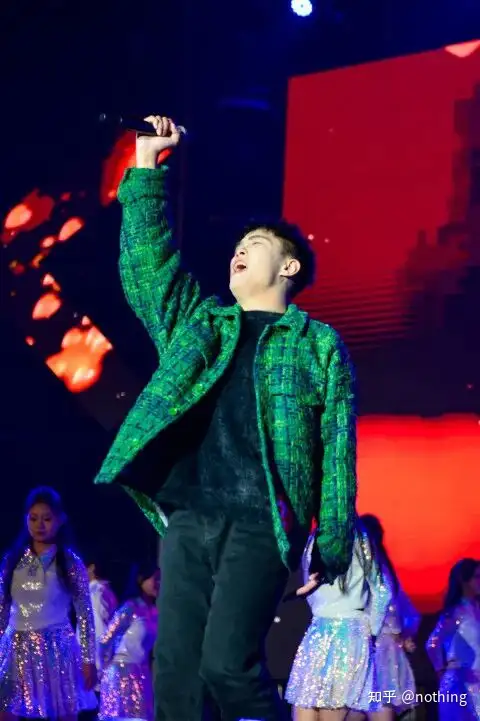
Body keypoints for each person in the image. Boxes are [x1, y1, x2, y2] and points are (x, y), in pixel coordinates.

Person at [94, 115, 357, 721]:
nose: (240, 251)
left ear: (289, 267)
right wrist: (147, 164)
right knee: (176, 674)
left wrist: (333, 544)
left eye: (256, 245)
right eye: (238, 247)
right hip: (190, 515)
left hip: (262, 520)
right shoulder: (201, 324)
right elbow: (149, 268)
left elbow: (338, 449)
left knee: (226, 667)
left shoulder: (318, 345)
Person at [0, 486, 97, 721]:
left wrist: (88, 659)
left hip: (56, 648)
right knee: (6, 710)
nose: (39, 525)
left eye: (46, 518)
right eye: (33, 518)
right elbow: (2, 607)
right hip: (15, 646)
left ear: (60, 520)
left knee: (62, 713)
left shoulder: (70, 562)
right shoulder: (12, 559)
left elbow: (84, 613)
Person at [285, 517, 393, 721]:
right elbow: (382, 591)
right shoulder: (318, 537)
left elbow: (382, 590)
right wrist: (369, 629)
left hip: (340, 632)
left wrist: (369, 629)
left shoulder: (352, 536)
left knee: (321, 708)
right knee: (306, 706)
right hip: (327, 632)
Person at [360, 515, 420, 719]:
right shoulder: (358, 570)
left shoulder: (385, 570)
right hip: (368, 649)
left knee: (382, 709)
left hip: (388, 653)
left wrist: (405, 634)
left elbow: (407, 611)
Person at [98, 564, 159, 721]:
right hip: (121, 674)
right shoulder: (130, 607)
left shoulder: (155, 611)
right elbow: (105, 640)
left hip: (142, 674)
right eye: (156, 578)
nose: (159, 583)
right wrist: (105, 670)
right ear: (141, 579)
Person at [426, 558, 480, 720]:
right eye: (477, 577)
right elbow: (432, 644)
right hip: (460, 684)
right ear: (464, 581)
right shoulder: (456, 612)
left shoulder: (476, 610)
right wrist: (442, 670)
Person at [84, 556, 118, 686]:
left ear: (91, 568)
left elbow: (97, 624)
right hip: (100, 653)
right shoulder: (106, 590)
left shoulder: (95, 591)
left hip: (95, 654)